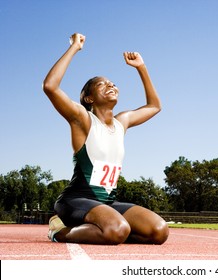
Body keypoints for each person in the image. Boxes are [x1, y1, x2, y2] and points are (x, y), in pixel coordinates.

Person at [42, 33, 169, 245]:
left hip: (107, 202)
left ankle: (107, 227)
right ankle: (59, 231)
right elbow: (50, 86)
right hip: (76, 200)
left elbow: (155, 106)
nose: (110, 85)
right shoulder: (83, 119)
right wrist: (74, 47)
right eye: (102, 85)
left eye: (112, 83)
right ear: (89, 98)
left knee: (159, 231)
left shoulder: (122, 122)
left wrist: (141, 67)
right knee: (116, 230)